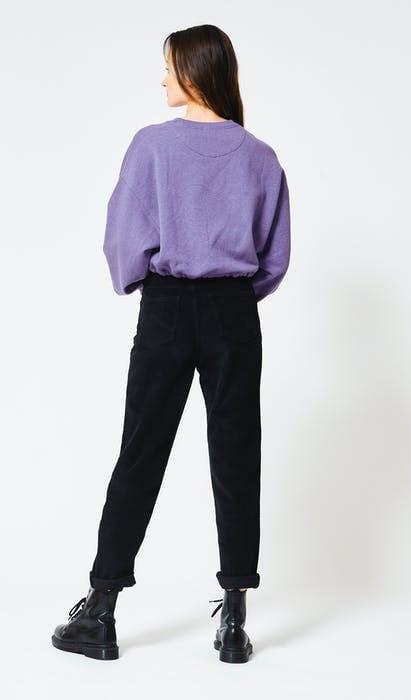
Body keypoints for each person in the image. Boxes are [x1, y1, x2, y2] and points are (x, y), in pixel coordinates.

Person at [51, 23, 291, 664]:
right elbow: (273, 257)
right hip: (234, 312)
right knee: (237, 456)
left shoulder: (152, 146)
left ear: (192, 71)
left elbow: (123, 238)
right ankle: (234, 620)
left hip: (167, 309)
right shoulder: (260, 156)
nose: (161, 78)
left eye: (167, 66)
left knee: (141, 451)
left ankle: (101, 610)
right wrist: (230, 295)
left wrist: (145, 281)